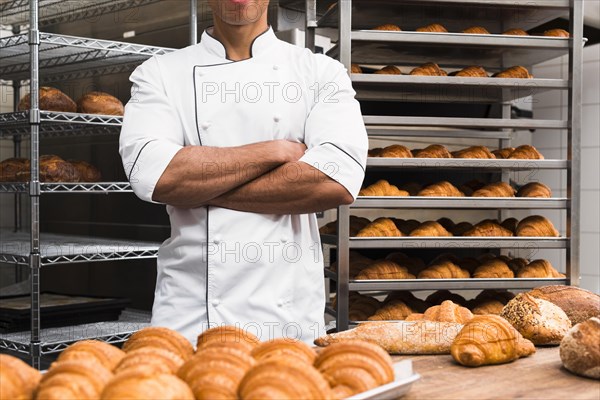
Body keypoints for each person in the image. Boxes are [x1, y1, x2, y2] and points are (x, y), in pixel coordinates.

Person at [119, 0, 367, 344]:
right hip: (191, 321)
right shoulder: (160, 73)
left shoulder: (321, 73)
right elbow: (156, 176)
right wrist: (276, 151)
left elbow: (335, 181)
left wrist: (199, 189)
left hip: (287, 323)